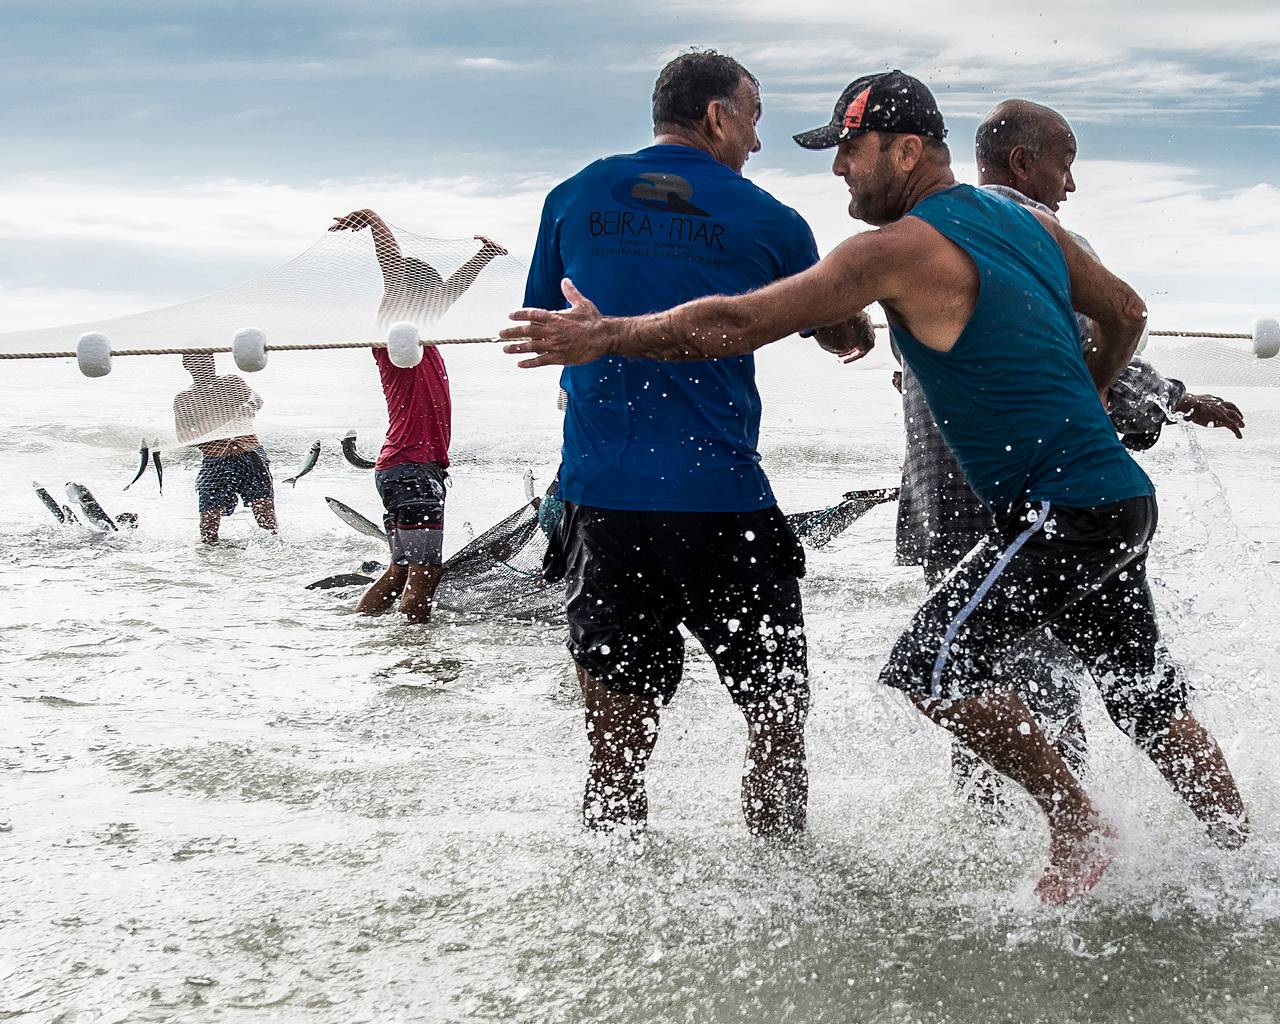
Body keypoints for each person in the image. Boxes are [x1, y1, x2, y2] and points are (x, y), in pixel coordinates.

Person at [501, 70, 1248, 903]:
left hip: (1060, 511)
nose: (839, 170)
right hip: (1117, 501)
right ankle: (1244, 863)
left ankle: (1077, 823)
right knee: (1145, 697)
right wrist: (1095, 397)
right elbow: (1130, 311)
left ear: (905, 149)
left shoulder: (892, 250)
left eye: (850, 151)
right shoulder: (1023, 218)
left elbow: (742, 323)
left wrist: (607, 332)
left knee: (931, 668)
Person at [520, 49, 874, 839]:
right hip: (724, 506)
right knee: (777, 723)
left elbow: (548, 324)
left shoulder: (573, 197)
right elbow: (837, 330)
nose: (754, 142)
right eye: (751, 119)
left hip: (603, 502)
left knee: (613, 751)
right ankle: (784, 898)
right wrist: (854, 327)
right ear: (717, 116)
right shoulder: (773, 222)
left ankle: (612, 910)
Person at [895, 98, 1247, 806]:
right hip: (1035, 506)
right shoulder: (1031, 235)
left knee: (975, 690)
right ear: (1024, 163)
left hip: (948, 505)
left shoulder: (926, 242)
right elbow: (1089, 349)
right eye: (1066, 165)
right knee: (1071, 696)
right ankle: (1121, 845)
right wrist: (1173, 401)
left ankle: (1005, 851)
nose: (1070, 185)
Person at [329, 209, 508, 623]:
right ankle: (417, 654)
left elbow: (451, 292)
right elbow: (393, 270)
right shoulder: (394, 335)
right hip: (410, 467)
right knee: (425, 574)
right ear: (410, 298)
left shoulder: (420, 339)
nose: (438, 303)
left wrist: (482, 258)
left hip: (407, 468)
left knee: (401, 571)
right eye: (429, 297)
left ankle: (360, 633)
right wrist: (374, 221)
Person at [173, 353, 278, 544]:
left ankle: (274, 552)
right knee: (208, 525)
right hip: (215, 461)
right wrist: (213, 438)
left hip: (250, 454)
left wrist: (249, 404)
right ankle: (212, 563)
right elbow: (183, 436)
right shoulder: (184, 398)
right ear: (186, 365)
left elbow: (257, 399)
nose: (206, 364)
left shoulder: (231, 382)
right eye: (198, 361)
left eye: (209, 359)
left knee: (265, 514)